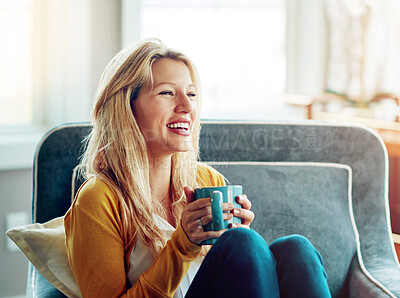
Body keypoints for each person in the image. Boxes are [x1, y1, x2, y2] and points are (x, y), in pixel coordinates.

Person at [64, 38, 331, 298]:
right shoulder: (99, 199)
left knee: (296, 249)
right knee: (243, 244)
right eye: (167, 93)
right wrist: (184, 244)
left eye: (191, 94)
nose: (187, 106)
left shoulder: (205, 179)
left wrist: (243, 248)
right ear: (125, 107)